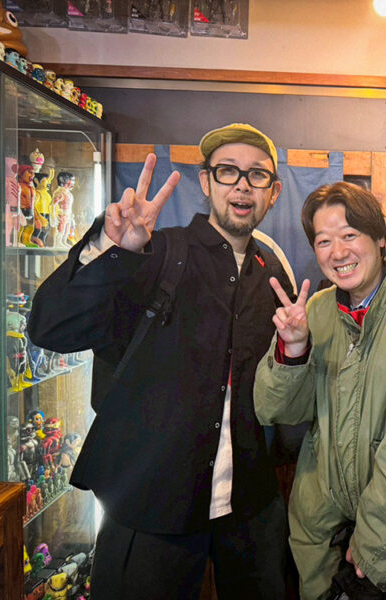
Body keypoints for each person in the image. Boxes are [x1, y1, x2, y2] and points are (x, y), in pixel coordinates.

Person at [27, 123, 293, 599]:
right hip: (150, 501)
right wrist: (113, 250)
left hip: (248, 509)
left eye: (257, 175)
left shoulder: (271, 272)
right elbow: (50, 327)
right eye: (228, 171)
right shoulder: (156, 251)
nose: (242, 185)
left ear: (272, 193)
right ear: (206, 180)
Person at [254, 181, 386, 599]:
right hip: (321, 536)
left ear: (380, 238)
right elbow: (274, 410)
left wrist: (373, 553)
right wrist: (293, 351)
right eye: (323, 241)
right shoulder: (316, 310)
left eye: (349, 235)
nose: (338, 252)